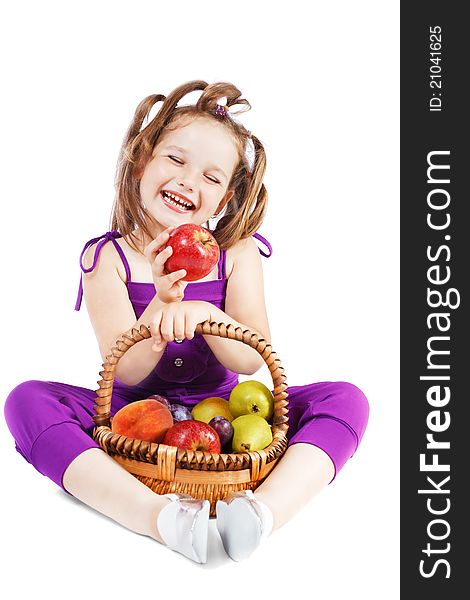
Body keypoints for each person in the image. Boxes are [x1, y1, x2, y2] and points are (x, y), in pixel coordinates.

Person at [4, 80, 369, 564]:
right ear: (141, 161)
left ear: (224, 201)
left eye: (211, 177)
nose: (187, 181)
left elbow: (251, 358)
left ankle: (262, 513)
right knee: (26, 400)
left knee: (347, 399)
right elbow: (127, 371)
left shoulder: (236, 254)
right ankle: (159, 517)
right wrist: (161, 299)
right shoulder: (106, 258)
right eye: (175, 160)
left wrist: (206, 313)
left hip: (223, 419)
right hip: (128, 419)